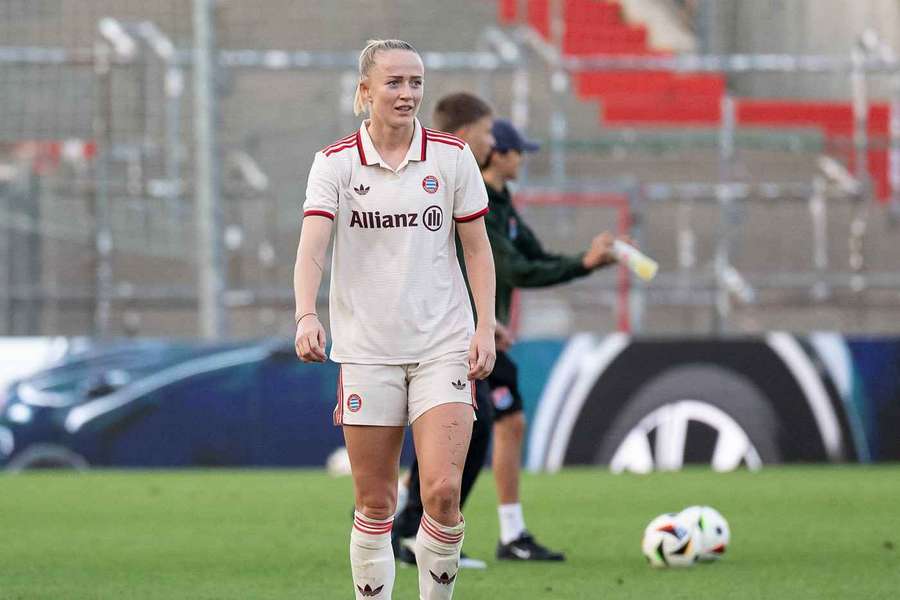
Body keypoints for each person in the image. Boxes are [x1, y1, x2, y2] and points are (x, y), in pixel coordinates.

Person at [294, 39, 496, 600]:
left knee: (441, 493)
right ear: (365, 92)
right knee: (376, 502)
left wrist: (483, 326)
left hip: (442, 348)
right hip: (366, 352)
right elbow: (313, 245)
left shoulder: (452, 157)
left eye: (415, 83)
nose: (407, 93)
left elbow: (477, 250)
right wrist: (306, 314)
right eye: (393, 83)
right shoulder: (333, 164)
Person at [482, 118, 621, 561]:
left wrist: (587, 260)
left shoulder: (503, 204)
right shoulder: (478, 204)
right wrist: (583, 265)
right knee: (464, 435)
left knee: (501, 424)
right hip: (464, 336)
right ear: (497, 154)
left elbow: (535, 257)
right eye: (518, 150)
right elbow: (517, 271)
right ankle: (407, 524)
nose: (523, 157)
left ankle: (509, 532)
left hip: (486, 336)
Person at [391, 92, 498, 570]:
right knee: (479, 422)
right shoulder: (425, 172)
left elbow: (479, 254)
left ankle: (420, 523)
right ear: (464, 133)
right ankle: (408, 523)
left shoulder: (462, 175)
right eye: (487, 132)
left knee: (485, 420)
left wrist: (486, 321)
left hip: (461, 329)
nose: (492, 143)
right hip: (427, 331)